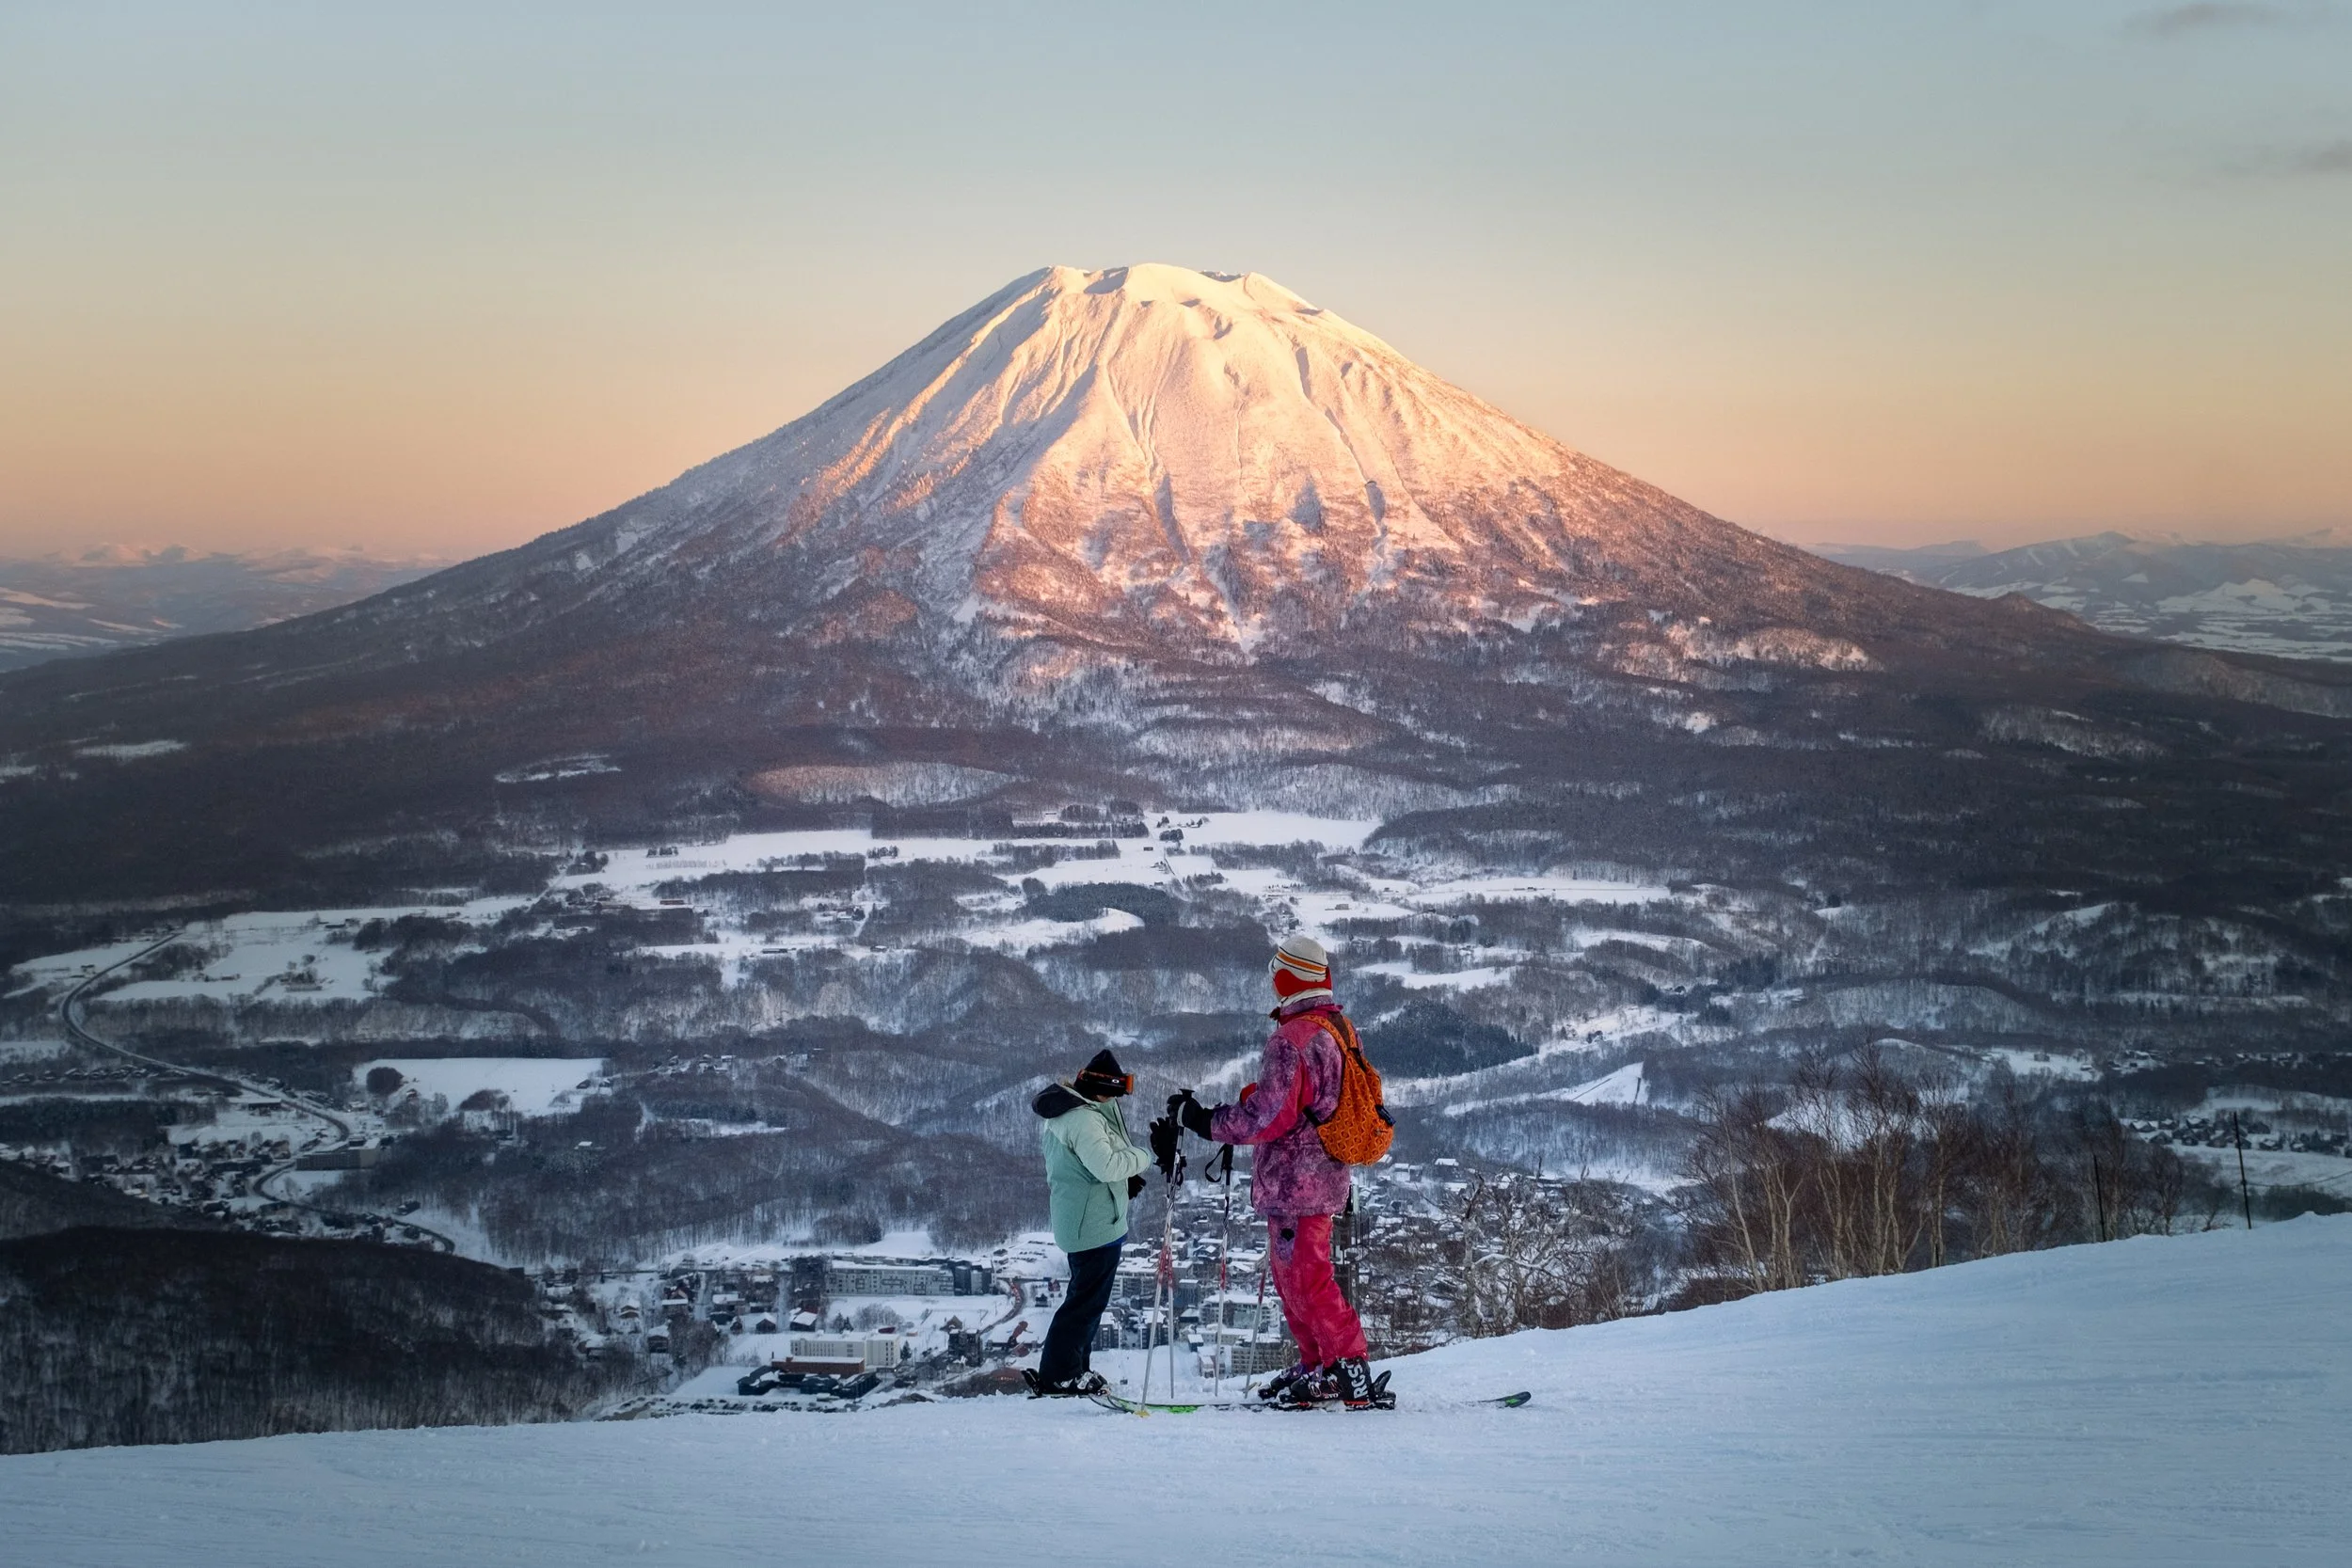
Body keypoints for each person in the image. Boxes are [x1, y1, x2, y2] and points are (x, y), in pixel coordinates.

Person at [1168, 935, 1381, 1409]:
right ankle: (1319, 1366)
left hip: (1296, 1183)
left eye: (1276, 968)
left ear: (1293, 975)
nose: (1271, 978)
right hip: (1320, 1177)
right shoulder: (1336, 1026)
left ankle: (1346, 1366)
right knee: (1296, 1278)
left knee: (1307, 1278)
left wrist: (1203, 1120)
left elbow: (1269, 1117)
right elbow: (1304, 1103)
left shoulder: (1294, 1039)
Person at [1027, 1048, 1152, 1397]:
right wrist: (1144, 1157)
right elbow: (1106, 1166)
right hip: (1092, 1225)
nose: (1116, 1100)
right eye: (1113, 1092)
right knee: (1083, 1305)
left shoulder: (1082, 1110)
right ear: (1100, 1089)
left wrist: (1123, 1183)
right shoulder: (1082, 1119)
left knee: (1086, 1302)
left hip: (1092, 1219)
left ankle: (1074, 1368)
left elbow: (1095, 1165)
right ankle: (1059, 1375)